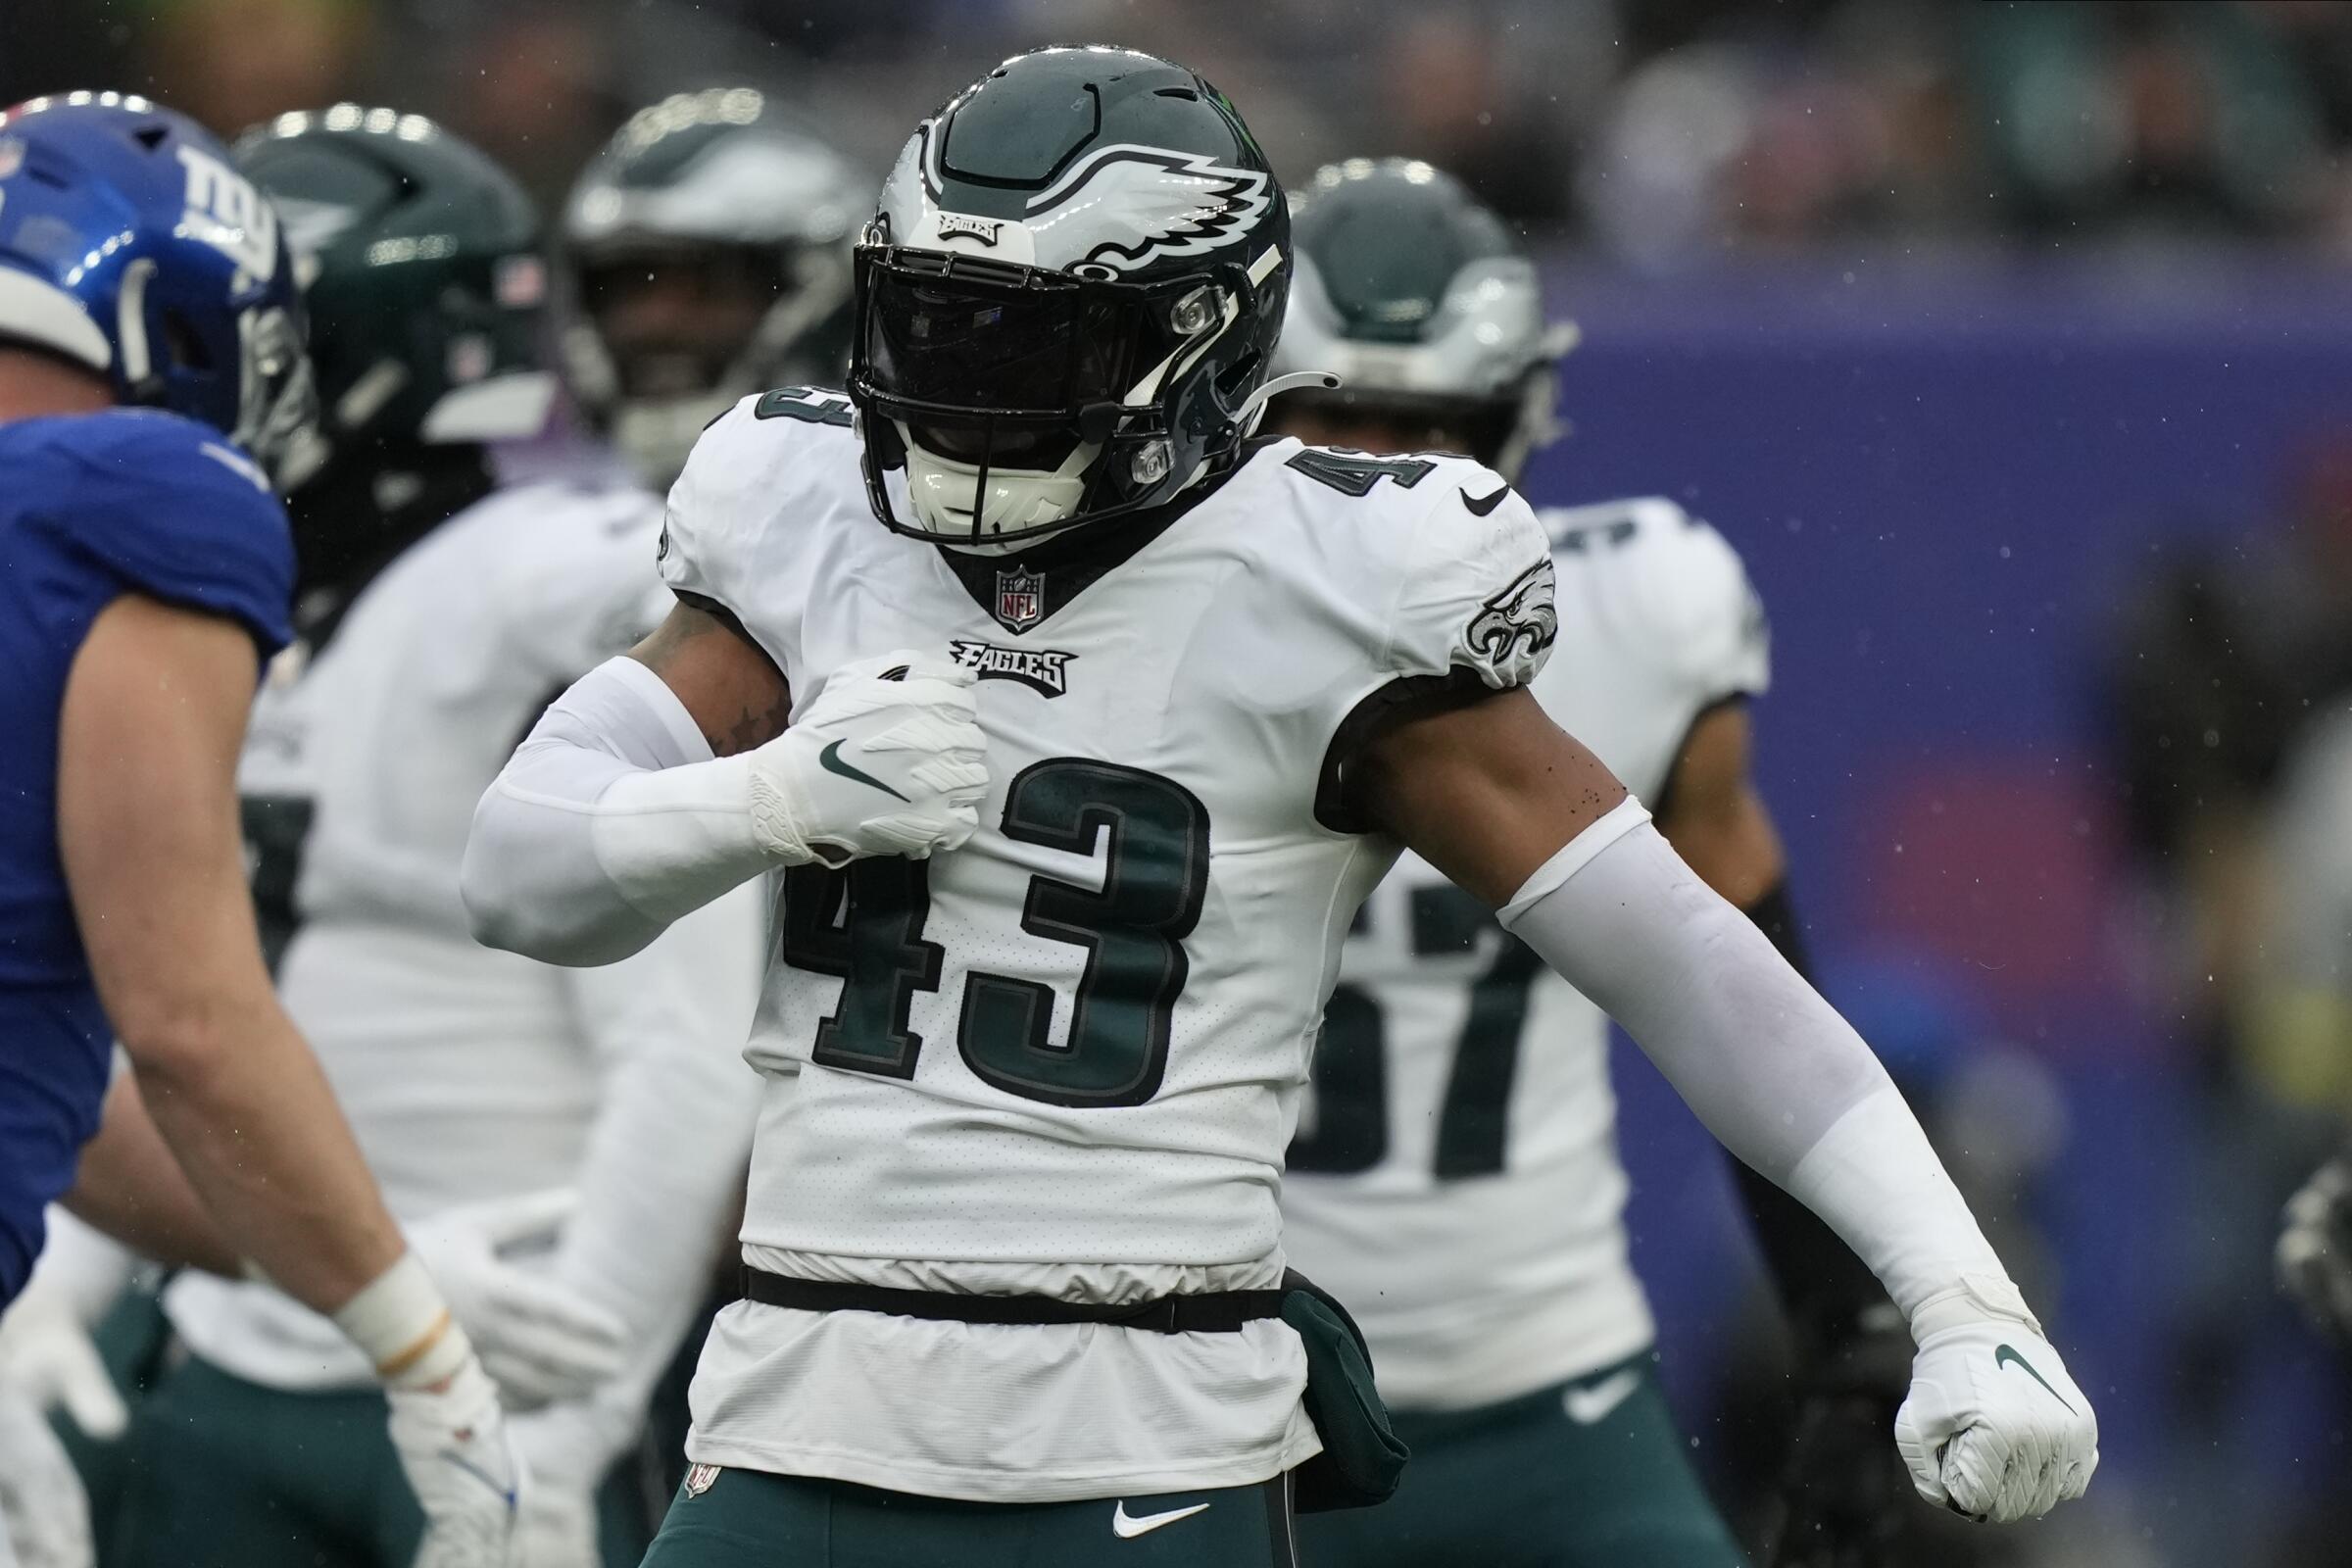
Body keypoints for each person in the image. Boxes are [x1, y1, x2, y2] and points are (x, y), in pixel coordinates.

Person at [461, 46, 2098, 1567]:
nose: (959, 393)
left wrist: (1960, 1291)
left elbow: (1693, 966)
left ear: (1198, 339)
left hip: (1144, 1433)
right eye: (935, 326)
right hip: (792, 1412)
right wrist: (762, 803)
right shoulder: (803, 511)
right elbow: (520, 866)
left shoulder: (1332, 591)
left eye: (1028, 342)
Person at [43, 106, 763, 1568]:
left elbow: (684, 1059)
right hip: (227, 1349)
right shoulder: (229, 599)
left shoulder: (537, 586)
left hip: (500, 1361)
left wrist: (569, 1438)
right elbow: (157, 1015)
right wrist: (52, 1292)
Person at [1263, 157, 1912, 1568]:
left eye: (1430, 430)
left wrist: (1845, 1322)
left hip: (1554, 1404)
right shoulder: (1147, 639)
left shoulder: (1630, 616)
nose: (1382, 476)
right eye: (1335, 422)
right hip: (1235, 1417)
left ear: (1519, 427)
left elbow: (1751, 987)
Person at [559, 84, 867, 490]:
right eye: (627, 291)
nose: (656, 323)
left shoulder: (898, 526)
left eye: (708, 288)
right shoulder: (535, 536)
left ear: (827, 290)